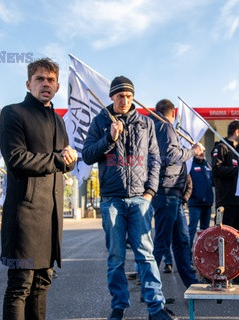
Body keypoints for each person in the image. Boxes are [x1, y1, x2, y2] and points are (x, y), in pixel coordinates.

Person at [82, 77, 177, 320]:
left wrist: (149, 193)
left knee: (145, 255)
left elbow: (155, 159)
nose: (124, 100)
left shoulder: (146, 123)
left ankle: (155, 307)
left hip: (139, 199)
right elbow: (87, 155)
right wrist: (110, 138)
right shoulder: (101, 121)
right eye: (119, 96)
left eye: (128, 96)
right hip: (112, 200)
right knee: (115, 257)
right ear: (112, 97)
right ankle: (119, 306)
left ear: (133, 97)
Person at [0, 58, 78, 320]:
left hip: (52, 218)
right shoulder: (13, 112)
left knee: (42, 284)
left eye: (51, 80)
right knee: (20, 287)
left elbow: (61, 163)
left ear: (57, 87)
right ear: (28, 83)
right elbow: (16, 159)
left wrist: (69, 160)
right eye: (40, 79)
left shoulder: (59, 120)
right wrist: (58, 159)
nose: (46, 84)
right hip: (25, 216)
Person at [151, 98, 201, 289]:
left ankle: (191, 282)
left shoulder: (158, 126)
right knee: (163, 242)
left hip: (172, 193)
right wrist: (192, 151)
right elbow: (171, 156)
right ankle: (149, 286)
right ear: (173, 113)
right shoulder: (165, 127)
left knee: (181, 240)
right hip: (167, 190)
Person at [211, 120, 239, 284]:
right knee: (223, 239)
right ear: (237, 131)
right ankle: (220, 271)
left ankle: (238, 271)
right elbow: (216, 170)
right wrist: (237, 169)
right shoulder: (221, 147)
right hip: (226, 202)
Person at [187, 154, 213, 259]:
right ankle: (187, 256)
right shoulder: (191, 165)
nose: (202, 153)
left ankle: (203, 255)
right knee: (192, 230)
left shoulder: (207, 165)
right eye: (200, 150)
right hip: (195, 203)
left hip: (207, 203)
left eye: (204, 151)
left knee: (205, 232)